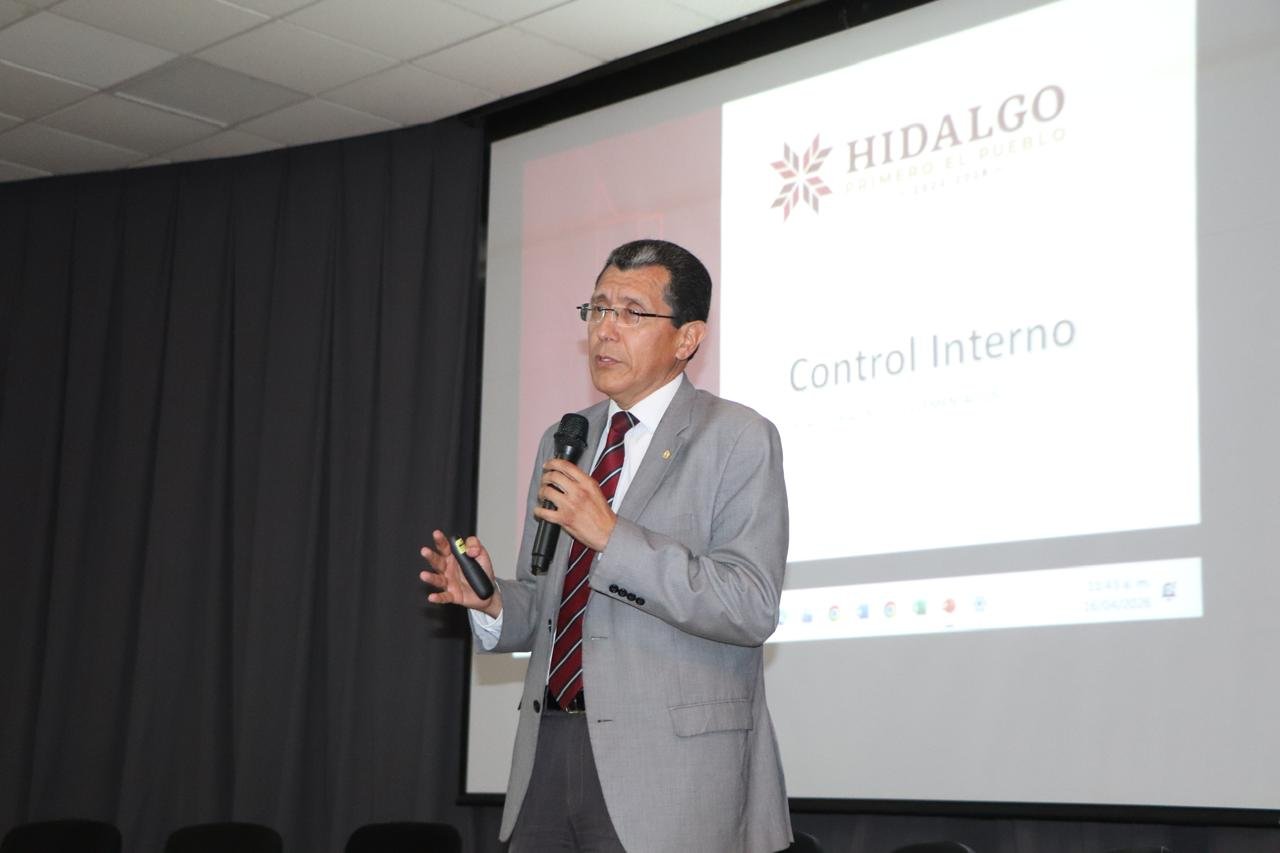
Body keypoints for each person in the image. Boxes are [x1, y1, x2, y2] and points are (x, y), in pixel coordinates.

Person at [420, 239, 791, 852]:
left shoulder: (737, 437)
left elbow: (749, 605)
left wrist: (611, 536)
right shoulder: (567, 438)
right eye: (597, 309)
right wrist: (491, 602)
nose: (605, 330)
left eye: (631, 313)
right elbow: (546, 603)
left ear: (687, 338)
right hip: (548, 751)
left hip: (670, 773)